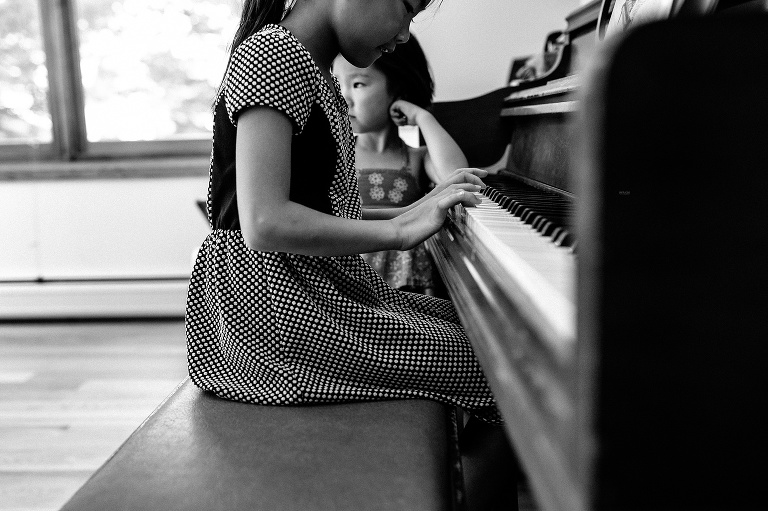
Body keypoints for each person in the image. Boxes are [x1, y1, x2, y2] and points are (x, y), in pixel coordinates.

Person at [185, 0, 503, 426]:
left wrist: (416, 207)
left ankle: (456, 480)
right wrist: (396, 230)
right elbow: (263, 224)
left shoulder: (313, 69)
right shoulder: (273, 55)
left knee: (476, 326)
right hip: (269, 312)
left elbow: (322, 207)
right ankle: (445, 489)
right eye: (407, 8)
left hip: (315, 289)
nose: (405, 34)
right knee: (501, 359)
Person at [333, 36, 466, 295]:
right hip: (354, 279)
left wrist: (421, 116)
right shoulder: (338, 156)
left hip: (407, 284)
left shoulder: (415, 158)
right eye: (337, 84)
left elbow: (455, 177)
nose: (344, 98)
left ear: (397, 89)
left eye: (358, 84)